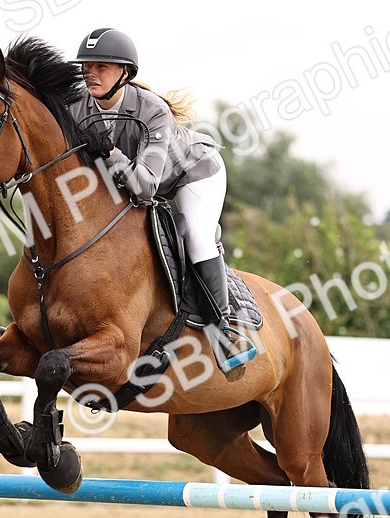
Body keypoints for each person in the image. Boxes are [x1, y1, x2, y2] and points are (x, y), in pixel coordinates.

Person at [68, 27, 256, 372]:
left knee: (195, 236)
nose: (90, 72)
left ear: (125, 73)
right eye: (87, 66)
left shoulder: (152, 110)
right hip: (142, 180)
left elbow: (145, 188)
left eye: (102, 66)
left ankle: (225, 328)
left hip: (194, 173)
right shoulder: (77, 107)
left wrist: (108, 150)